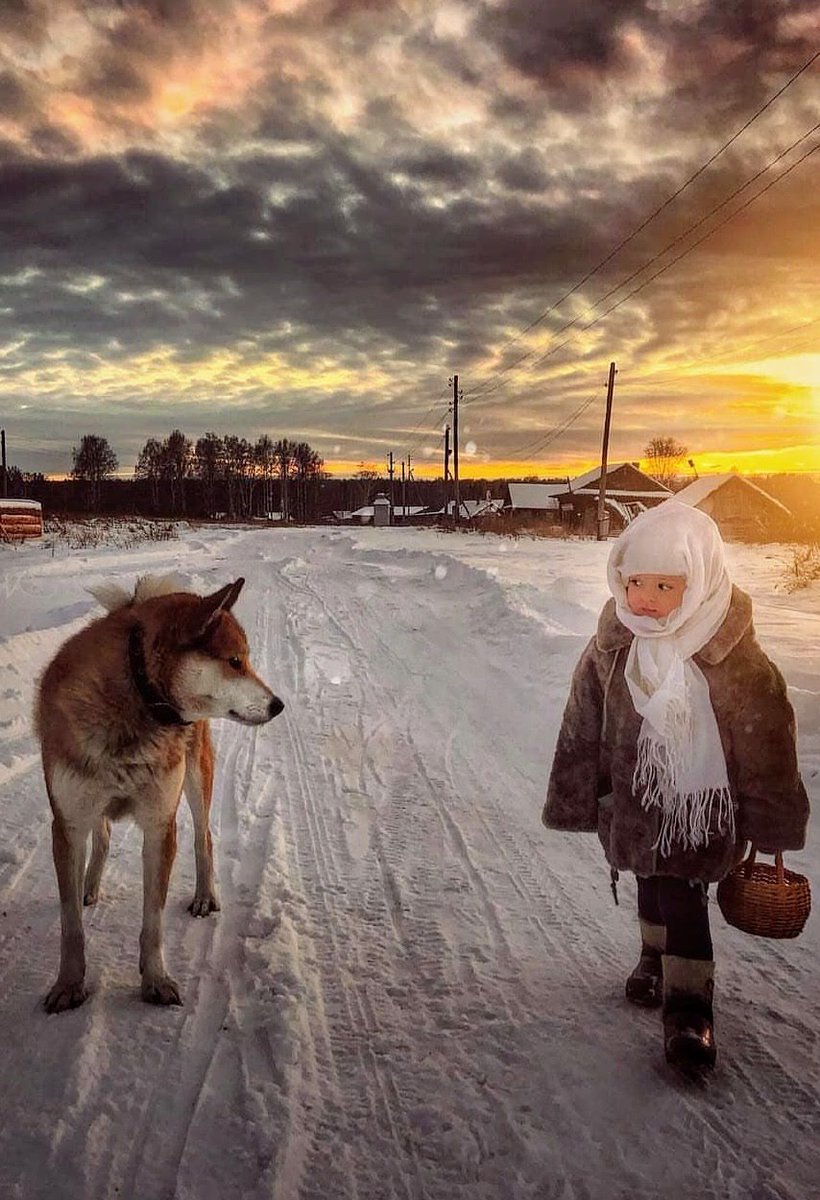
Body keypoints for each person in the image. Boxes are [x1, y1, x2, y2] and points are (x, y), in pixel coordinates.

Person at [543, 500, 809, 1070]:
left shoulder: (733, 656)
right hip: (633, 802)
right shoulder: (613, 646)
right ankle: (652, 956)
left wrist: (772, 821)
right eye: (635, 581)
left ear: (699, 583)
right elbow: (582, 722)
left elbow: (768, 741)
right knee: (648, 880)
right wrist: (576, 794)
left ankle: (690, 1006)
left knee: (682, 895)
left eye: (665, 584)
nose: (644, 598)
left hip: (701, 811)